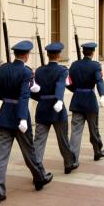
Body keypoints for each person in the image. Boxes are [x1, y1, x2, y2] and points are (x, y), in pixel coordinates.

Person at [0, 40, 53, 204]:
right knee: (29, 152)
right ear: (26, 55)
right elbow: (24, 96)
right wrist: (23, 118)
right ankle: (39, 178)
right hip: (19, 118)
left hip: (4, 116)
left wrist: (7, 99)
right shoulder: (26, 72)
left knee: (1, 156)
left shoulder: (3, 68)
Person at [31, 42, 78, 174]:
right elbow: (60, 85)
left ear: (47, 55)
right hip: (57, 111)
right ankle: (69, 163)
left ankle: (37, 169)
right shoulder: (62, 70)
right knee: (63, 140)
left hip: (42, 109)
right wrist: (58, 100)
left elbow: (34, 92)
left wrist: (42, 99)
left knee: (39, 142)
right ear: (59, 55)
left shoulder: (39, 71)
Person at [67, 42, 104, 162]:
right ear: (93, 52)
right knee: (93, 129)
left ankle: (72, 159)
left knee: (75, 133)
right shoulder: (95, 66)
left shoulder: (74, 65)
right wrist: (103, 95)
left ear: (83, 52)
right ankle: (97, 151)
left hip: (77, 102)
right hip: (90, 101)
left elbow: (68, 82)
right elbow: (99, 81)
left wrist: (76, 90)